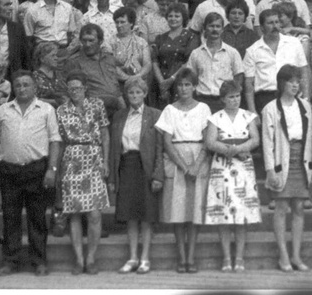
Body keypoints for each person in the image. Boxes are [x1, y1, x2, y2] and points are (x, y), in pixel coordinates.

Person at [0, 69, 62, 277]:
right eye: (18, 84)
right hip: (9, 170)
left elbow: (54, 140)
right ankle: (10, 261)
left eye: (26, 84)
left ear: (34, 87)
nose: (22, 88)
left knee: (37, 218)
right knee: (10, 218)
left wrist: (52, 169)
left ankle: (39, 261)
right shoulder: (3, 110)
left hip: (37, 169)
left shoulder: (46, 109)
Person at [155, 67, 211, 273]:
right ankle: (181, 257)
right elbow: (167, 142)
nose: (184, 88)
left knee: (194, 211)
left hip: (198, 158)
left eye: (188, 84)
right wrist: (182, 165)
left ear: (195, 87)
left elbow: (208, 139)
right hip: (176, 159)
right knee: (177, 212)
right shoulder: (169, 110)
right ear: (176, 88)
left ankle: (191, 256)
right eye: (180, 85)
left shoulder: (204, 108)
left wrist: (195, 165)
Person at [261, 64, 312, 272]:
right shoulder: (270, 108)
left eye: (298, 81)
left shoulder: (305, 106)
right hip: (281, 159)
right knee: (282, 208)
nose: (295, 85)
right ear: (282, 83)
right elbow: (267, 141)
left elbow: (309, 135)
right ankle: (283, 255)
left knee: (300, 207)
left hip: (300, 158)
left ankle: (296, 256)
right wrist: (270, 170)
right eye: (291, 81)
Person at [203, 79, 261, 273]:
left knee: (241, 212)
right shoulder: (215, 118)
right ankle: (226, 257)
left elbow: (255, 139)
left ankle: (240, 258)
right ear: (223, 99)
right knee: (224, 213)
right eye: (230, 97)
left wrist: (241, 149)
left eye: (237, 96)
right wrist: (233, 151)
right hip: (222, 167)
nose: (235, 100)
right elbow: (210, 142)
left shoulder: (248, 116)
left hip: (243, 168)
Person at [57, 71, 111, 275]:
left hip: (94, 157)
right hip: (72, 159)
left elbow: (105, 134)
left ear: (85, 88)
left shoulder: (97, 105)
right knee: (74, 214)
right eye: (71, 88)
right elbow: (60, 140)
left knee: (95, 213)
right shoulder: (62, 110)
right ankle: (79, 259)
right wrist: (59, 169)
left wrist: (106, 161)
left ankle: (91, 258)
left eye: (78, 88)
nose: (75, 92)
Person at [109, 77, 163, 275]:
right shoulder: (119, 116)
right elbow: (114, 148)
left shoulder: (155, 115)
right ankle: (132, 257)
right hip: (126, 166)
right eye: (131, 92)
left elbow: (159, 148)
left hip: (146, 167)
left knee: (147, 215)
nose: (134, 96)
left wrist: (158, 175)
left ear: (145, 94)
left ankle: (145, 258)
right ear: (126, 94)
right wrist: (112, 178)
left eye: (138, 92)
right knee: (130, 215)